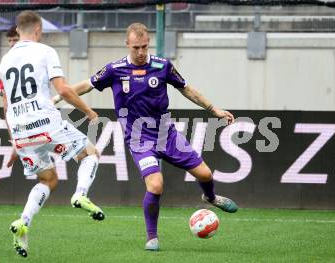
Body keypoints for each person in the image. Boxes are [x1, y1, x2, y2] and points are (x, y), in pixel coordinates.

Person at [53, 23, 238, 251]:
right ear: (127, 45)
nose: (141, 52)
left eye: (144, 47)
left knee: (205, 174)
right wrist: (58, 97)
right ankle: (152, 237)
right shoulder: (115, 69)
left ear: (148, 43)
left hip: (166, 134)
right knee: (156, 185)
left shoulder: (163, 66)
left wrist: (214, 109)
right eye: (136, 48)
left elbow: (186, 89)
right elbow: (86, 85)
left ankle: (210, 198)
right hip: (139, 139)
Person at [0, 11, 104, 258]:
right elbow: (63, 90)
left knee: (48, 180)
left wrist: (15, 142)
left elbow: (6, 106)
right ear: (38, 30)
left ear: (18, 31)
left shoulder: (4, 61)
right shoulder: (45, 51)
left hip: (20, 131)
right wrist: (88, 110)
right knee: (90, 153)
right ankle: (80, 194)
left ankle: (23, 222)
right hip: (46, 123)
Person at [0, 25, 20, 97]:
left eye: (15, 40)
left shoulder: (33, 55)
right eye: (9, 41)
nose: (11, 44)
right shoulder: (5, 59)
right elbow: (1, 85)